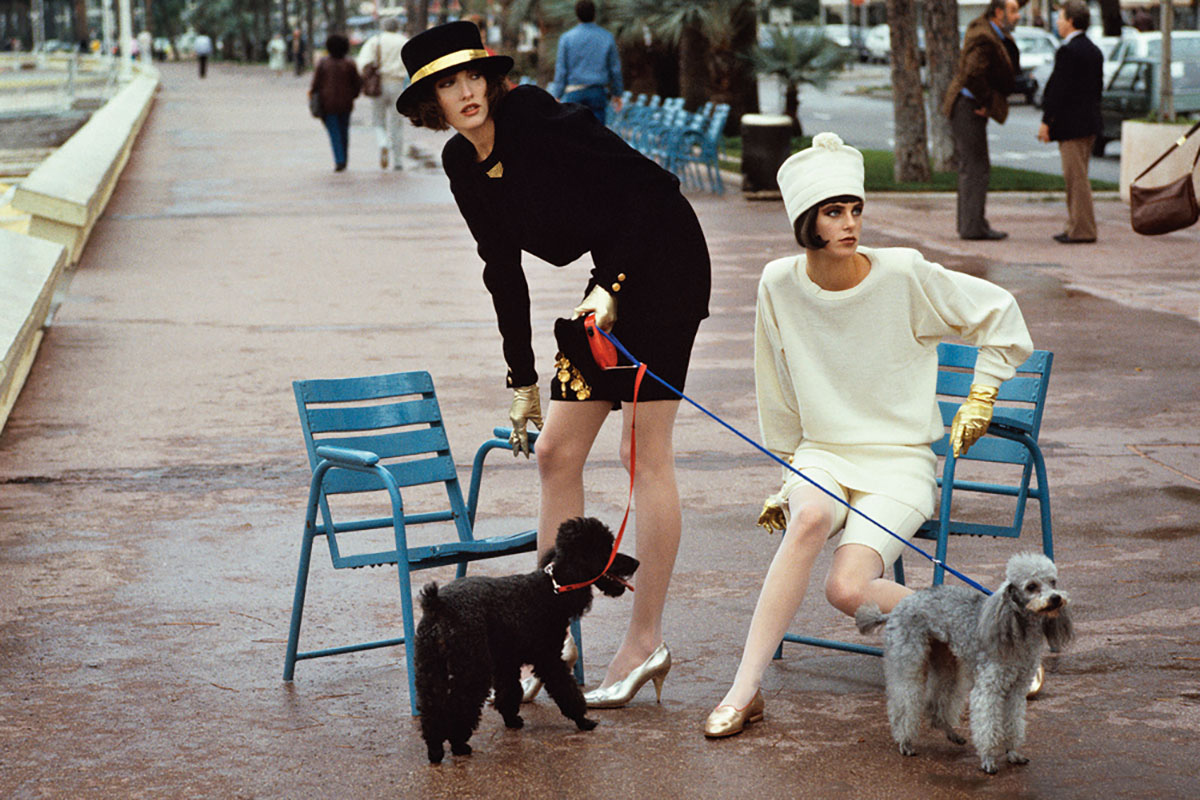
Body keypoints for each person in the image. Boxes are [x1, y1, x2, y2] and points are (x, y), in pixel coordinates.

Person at [396, 21, 711, 708]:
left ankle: (645, 641)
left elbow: (650, 188)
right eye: (448, 84)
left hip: (662, 262)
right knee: (556, 454)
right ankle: (549, 634)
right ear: (430, 102)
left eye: (473, 76)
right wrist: (522, 379)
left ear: (491, 79)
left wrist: (612, 286)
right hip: (610, 280)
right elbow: (501, 270)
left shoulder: (537, 118)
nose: (466, 92)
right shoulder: (461, 164)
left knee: (642, 455)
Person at [702, 132, 1033, 738]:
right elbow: (775, 385)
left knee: (845, 588)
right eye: (834, 212)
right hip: (823, 455)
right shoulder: (778, 283)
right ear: (807, 221)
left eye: (855, 209)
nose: (850, 223)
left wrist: (981, 395)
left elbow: (1000, 314)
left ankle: (993, 639)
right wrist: (787, 477)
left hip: (898, 462)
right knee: (806, 519)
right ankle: (744, 689)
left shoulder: (903, 273)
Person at [942, 0, 1021, 241]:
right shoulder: (984, 37)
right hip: (969, 106)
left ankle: (972, 223)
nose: (1017, 16)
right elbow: (973, 74)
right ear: (998, 12)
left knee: (973, 166)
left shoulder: (987, 30)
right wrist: (986, 102)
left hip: (967, 104)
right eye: (1013, 11)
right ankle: (973, 227)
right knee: (976, 166)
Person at [1038, 0, 1103, 245]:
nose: (1057, 22)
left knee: (1075, 179)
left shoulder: (1068, 52)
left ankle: (1082, 229)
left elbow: (1059, 90)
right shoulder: (1093, 50)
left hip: (1071, 125)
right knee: (1079, 176)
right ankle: (1074, 224)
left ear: (1071, 21)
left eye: (1061, 17)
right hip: (1089, 122)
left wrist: (1047, 121)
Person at [548, 0, 624, 124]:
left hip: (574, 92)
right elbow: (615, 69)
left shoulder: (566, 38)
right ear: (595, 14)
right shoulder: (607, 37)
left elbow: (561, 69)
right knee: (597, 132)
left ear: (577, 15)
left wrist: (557, 94)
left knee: (574, 132)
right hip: (597, 92)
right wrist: (617, 93)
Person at [357, 16, 408, 170]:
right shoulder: (403, 41)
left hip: (378, 85)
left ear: (383, 26)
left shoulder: (375, 41)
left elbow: (362, 63)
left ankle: (383, 142)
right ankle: (398, 160)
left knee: (378, 120)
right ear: (397, 27)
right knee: (397, 123)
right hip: (398, 84)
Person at [309, 33, 362, 172]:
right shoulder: (349, 63)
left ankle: (339, 160)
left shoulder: (323, 63)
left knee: (334, 132)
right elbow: (357, 83)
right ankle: (344, 158)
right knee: (344, 131)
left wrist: (312, 95)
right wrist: (353, 95)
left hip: (327, 104)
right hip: (346, 103)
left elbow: (315, 84)